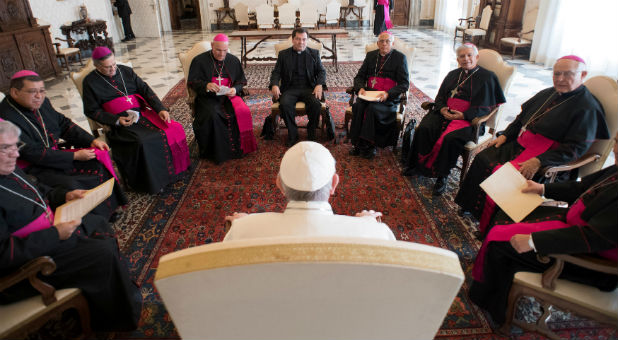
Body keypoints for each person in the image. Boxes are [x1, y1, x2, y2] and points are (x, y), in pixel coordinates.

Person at [0, 120, 142, 331]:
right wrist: (55, 234)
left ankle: (111, 298)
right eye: (5, 148)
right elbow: (3, 254)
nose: (14, 154)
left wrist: (64, 194)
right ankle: (114, 319)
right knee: (100, 251)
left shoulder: (6, 167)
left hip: (47, 231)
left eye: (14, 146)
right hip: (26, 266)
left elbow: (36, 188)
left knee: (97, 222)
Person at [468, 133, 618, 326]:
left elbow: (594, 238)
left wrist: (533, 241)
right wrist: (542, 189)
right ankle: (489, 280)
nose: (614, 149)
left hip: (590, 258)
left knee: (502, 244)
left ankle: (495, 306)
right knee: (506, 215)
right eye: (615, 142)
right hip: (573, 227)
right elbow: (581, 187)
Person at [455, 55, 609, 233]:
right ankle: (472, 206)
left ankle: (493, 226)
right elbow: (522, 119)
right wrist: (506, 135)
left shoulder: (588, 108)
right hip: (519, 144)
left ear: (583, 75)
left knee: (509, 178)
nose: (560, 79)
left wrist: (539, 161)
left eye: (567, 74)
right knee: (483, 158)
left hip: (549, 160)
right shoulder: (550, 93)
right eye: (556, 74)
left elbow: (575, 150)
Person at [0, 70, 126, 220]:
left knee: (97, 165)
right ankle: (90, 222)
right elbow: (31, 153)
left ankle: (107, 212)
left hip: (56, 156)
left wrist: (90, 140)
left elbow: (63, 124)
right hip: (34, 167)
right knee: (72, 184)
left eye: (42, 91)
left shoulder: (42, 102)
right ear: (15, 92)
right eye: (33, 92)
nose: (39, 96)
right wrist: (74, 155)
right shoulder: (6, 117)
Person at [224, 141, 396, 241]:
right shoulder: (375, 234)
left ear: (279, 184)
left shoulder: (242, 232)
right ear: (334, 183)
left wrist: (245, 223)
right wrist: (368, 223)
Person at [82, 46, 190, 194]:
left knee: (174, 128)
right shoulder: (90, 82)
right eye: (108, 67)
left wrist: (160, 109)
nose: (113, 69)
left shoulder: (125, 70)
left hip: (143, 114)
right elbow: (91, 110)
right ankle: (153, 183)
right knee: (143, 141)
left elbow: (145, 90)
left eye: (114, 64)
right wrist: (117, 120)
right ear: (97, 66)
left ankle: (176, 173)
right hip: (120, 123)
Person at [403, 43, 505, 196]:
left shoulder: (488, 77)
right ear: (458, 59)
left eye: (469, 55)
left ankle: (442, 175)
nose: (466, 59)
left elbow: (487, 107)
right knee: (425, 128)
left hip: (470, 119)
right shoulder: (452, 74)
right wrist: (442, 107)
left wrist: (464, 115)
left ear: (476, 57)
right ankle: (417, 165)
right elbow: (440, 97)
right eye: (462, 56)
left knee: (450, 138)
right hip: (445, 112)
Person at [188, 33, 257, 164]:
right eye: (218, 50)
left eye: (225, 50)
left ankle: (238, 149)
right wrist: (206, 85)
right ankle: (216, 152)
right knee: (213, 115)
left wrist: (235, 90)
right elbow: (192, 82)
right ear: (212, 46)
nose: (221, 54)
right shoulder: (199, 60)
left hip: (228, 97)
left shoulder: (233, 60)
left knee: (240, 112)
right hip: (208, 97)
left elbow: (241, 81)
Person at [348, 31, 409, 159]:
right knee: (358, 107)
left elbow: (404, 84)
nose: (384, 44)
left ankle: (370, 145)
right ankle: (357, 143)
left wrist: (388, 94)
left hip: (387, 98)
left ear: (392, 43)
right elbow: (359, 76)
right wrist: (360, 88)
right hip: (369, 94)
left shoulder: (400, 58)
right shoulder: (371, 56)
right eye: (381, 41)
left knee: (372, 109)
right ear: (377, 43)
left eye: (387, 41)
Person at [268, 28, 327, 147]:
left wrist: (319, 85)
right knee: (284, 104)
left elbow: (321, 71)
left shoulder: (314, 53)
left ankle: (311, 133)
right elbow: (276, 72)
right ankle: (293, 134)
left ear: (307, 40)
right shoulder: (283, 54)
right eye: (298, 39)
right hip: (290, 89)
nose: (301, 42)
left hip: (308, 88)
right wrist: (274, 84)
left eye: (304, 39)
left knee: (316, 104)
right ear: (293, 39)